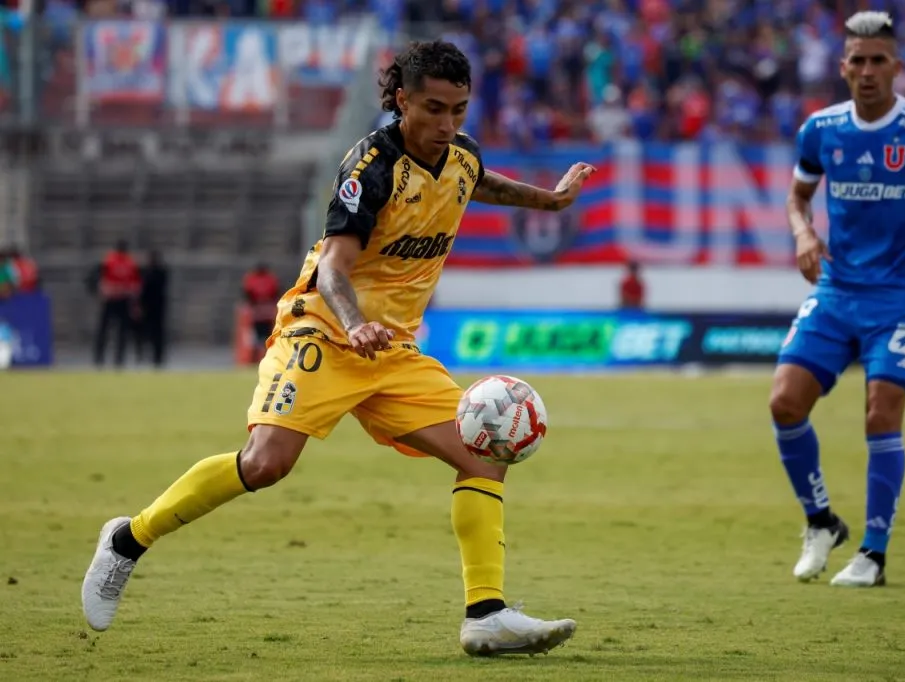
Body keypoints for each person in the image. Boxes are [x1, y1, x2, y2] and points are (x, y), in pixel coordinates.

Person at [81, 40, 595, 656]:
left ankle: (485, 613)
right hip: (323, 329)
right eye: (433, 109)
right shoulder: (370, 167)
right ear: (402, 100)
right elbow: (332, 268)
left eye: (458, 110)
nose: (446, 124)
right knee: (265, 464)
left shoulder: (459, 157)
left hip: (393, 350)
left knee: (484, 455)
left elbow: (481, 183)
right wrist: (353, 324)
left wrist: (553, 198)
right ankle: (127, 540)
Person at [770, 12, 905, 588]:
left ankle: (874, 554)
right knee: (785, 402)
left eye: (877, 60)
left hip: (900, 298)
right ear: (842, 68)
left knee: (881, 412)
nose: (866, 71)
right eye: (856, 61)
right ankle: (820, 522)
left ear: (896, 68)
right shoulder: (820, 129)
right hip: (836, 294)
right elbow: (797, 196)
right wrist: (804, 232)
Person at [92, 240, 141, 368]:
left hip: (122, 300)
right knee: (105, 329)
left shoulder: (127, 263)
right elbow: (99, 279)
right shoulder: (110, 261)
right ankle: (100, 357)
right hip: (111, 299)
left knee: (121, 331)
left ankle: (117, 358)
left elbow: (136, 284)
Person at [242, 262, 280, 363]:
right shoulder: (268, 279)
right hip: (261, 313)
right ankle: (258, 359)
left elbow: (247, 293)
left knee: (262, 338)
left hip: (262, 313)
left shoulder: (254, 279)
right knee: (259, 338)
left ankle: (260, 358)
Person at [140, 250, 169, 367]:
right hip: (148, 306)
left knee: (158, 333)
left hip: (156, 307)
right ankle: (147, 355)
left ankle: (158, 356)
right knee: (147, 333)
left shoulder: (159, 272)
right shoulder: (147, 272)